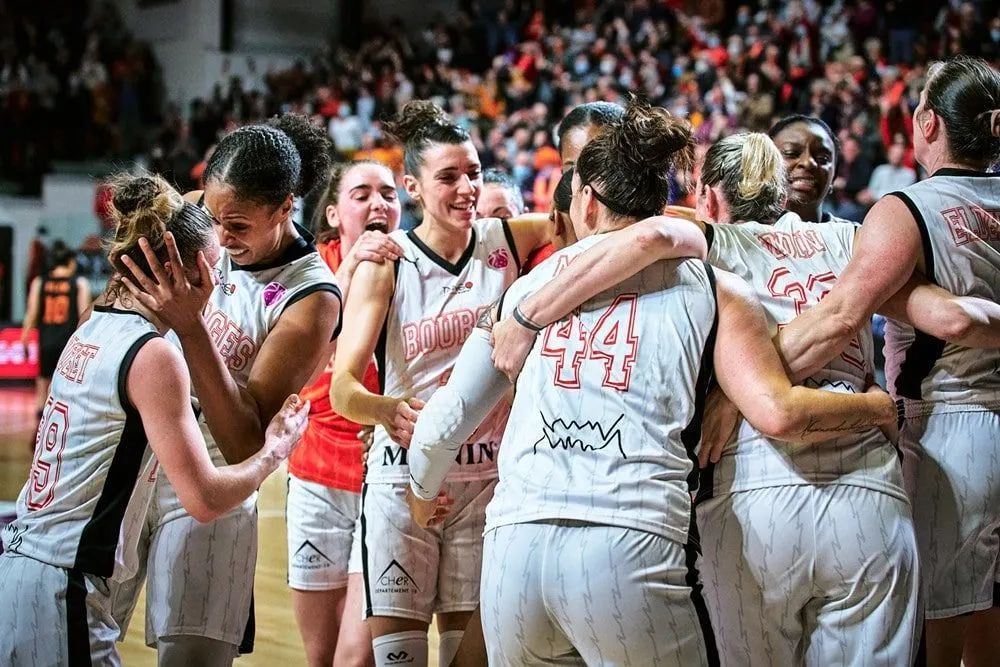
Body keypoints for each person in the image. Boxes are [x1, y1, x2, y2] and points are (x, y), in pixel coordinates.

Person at [406, 99, 899, 667]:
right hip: (630, 543)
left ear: (585, 199)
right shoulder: (716, 286)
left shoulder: (526, 292)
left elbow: (440, 426)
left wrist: (423, 499)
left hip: (515, 554)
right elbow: (777, 409)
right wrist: (876, 408)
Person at [0, 174, 309, 666]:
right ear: (175, 274)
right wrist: (275, 449)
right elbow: (205, 499)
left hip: (24, 571)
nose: (218, 284)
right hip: (65, 588)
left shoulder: (93, 323)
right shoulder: (152, 354)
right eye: (212, 270)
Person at [772, 56, 1000, 667]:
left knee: (935, 627)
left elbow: (846, 315)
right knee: (990, 611)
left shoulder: (905, 209)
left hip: (953, 427)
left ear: (926, 121)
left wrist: (744, 381)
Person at [111, 114, 342, 667]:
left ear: (286, 207)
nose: (218, 236)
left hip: (215, 471)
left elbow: (244, 442)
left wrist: (190, 327)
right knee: (85, 631)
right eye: (212, 218)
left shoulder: (311, 297)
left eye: (236, 226)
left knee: (190, 658)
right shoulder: (202, 215)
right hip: (140, 450)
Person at [329, 99, 552, 667]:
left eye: (473, 173)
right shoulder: (390, 261)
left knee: (470, 658)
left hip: (487, 481)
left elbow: (605, 223)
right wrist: (385, 410)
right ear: (413, 186)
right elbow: (343, 388)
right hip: (402, 478)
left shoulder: (508, 239)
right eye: (448, 177)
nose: (466, 189)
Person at [287, 160, 404, 667]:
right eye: (362, 193)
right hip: (313, 474)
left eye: (389, 193)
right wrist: (350, 265)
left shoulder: (411, 265)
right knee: (320, 655)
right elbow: (299, 356)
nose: (378, 202)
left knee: (357, 658)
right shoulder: (307, 267)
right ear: (334, 213)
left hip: (382, 478)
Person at [20, 240, 91, 423]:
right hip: (70, 344)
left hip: (46, 342)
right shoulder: (79, 283)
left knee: (42, 388)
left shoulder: (40, 282)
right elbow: (85, 317)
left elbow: (32, 314)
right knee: (70, 389)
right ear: (69, 261)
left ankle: (39, 431)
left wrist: (24, 339)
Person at [768, 115, 852, 224]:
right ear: (765, 165)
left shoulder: (855, 237)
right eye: (791, 153)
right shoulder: (743, 234)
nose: (808, 162)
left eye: (822, 158)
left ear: (834, 176)